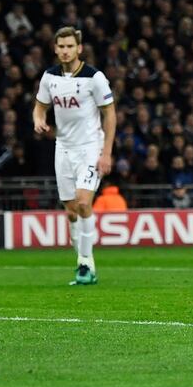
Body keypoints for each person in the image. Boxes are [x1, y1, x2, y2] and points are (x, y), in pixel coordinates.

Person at [33, 27, 116, 285]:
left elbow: (110, 114)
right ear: (56, 49)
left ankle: (86, 264)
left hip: (90, 147)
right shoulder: (49, 77)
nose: (66, 50)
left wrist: (106, 152)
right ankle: (81, 259)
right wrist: (38, 120)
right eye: (62, 46)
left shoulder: (95, 78)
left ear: (79, 48)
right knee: (70, 211)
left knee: (83, 203)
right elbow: (40, 106)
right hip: (64, 148)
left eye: (71, 46)